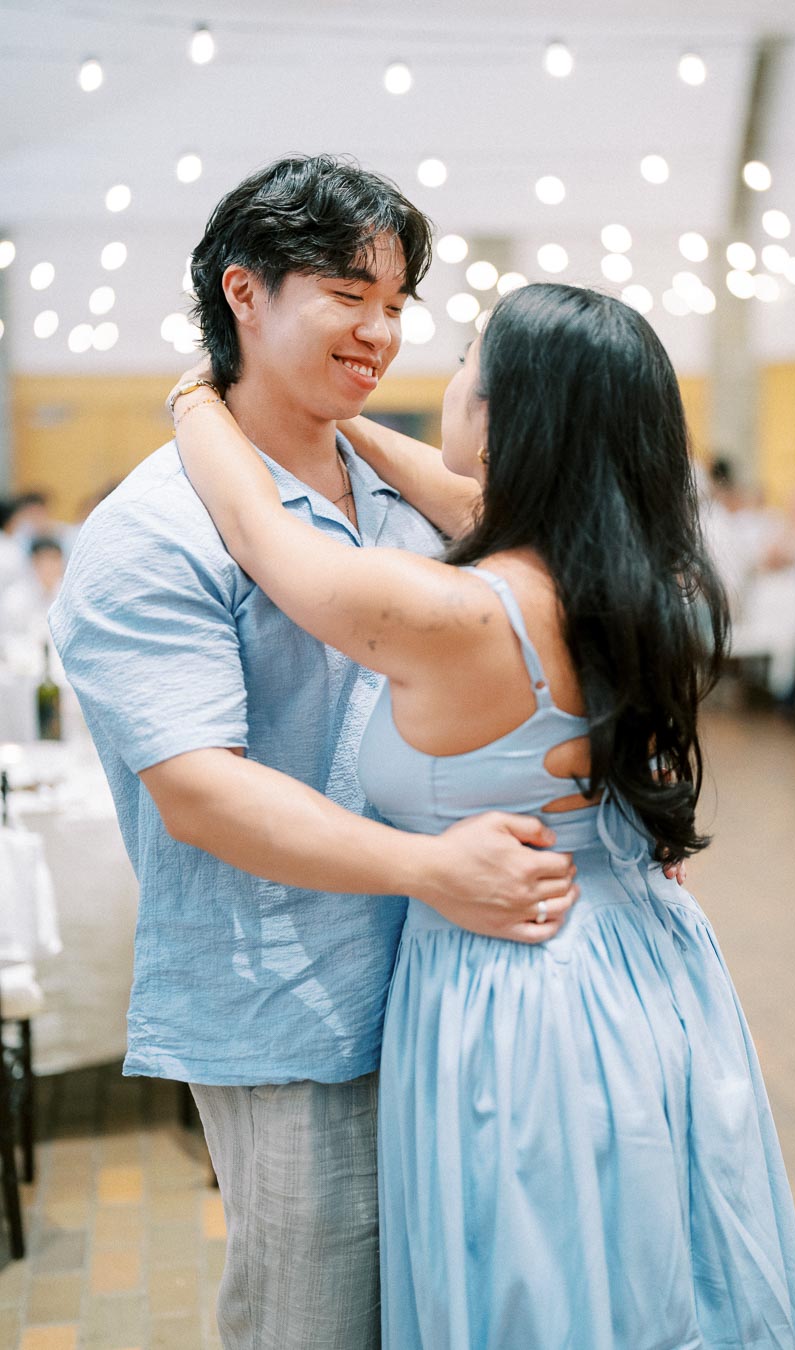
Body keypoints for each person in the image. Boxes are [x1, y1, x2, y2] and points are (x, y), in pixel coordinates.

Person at [173, 282, 795, 1349]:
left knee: (538, 1278)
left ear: (515, 410)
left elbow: (258, 534)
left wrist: (204, 400)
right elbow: (460, 492)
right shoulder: (654, 582)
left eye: (472, 354)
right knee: (665, 1264)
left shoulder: (451, 610)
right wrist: (335, 421)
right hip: (649, 964)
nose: (448, 373)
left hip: (517, 987)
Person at [49, 156, 579, 1350]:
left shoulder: (402, 495)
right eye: (350, 292)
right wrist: (430, 871)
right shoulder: (152, 533)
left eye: (399, 304)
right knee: (315, 1318)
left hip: (453, 974)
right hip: (289, 998)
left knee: (446, 1301)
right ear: (246, 292)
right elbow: (200, 792)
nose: (382, 331)